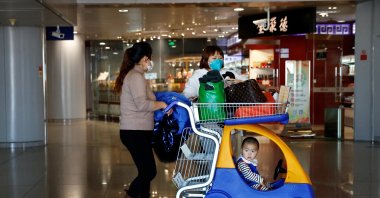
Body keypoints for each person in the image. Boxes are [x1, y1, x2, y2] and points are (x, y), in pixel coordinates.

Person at [114, 42, 169, 198]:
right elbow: (141, 104)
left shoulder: (136, 75)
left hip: (138, 130)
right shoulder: (136, 76)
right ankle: (130, 195)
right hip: (134, 131)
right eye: (149, 58)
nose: (150, 62)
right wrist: (162, 104)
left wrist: (160, 104)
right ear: (145, 58)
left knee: (145, 172)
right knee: (149, 171)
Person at [182, 45, 246, 99]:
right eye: (214, 58)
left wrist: (237, 82)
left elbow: (246, 82)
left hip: (229, 110)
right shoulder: (198, 76)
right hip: (206, 110)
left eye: (220, 58)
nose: (218, 61)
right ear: (206, 60)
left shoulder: (228, 73)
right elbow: (188, 94)